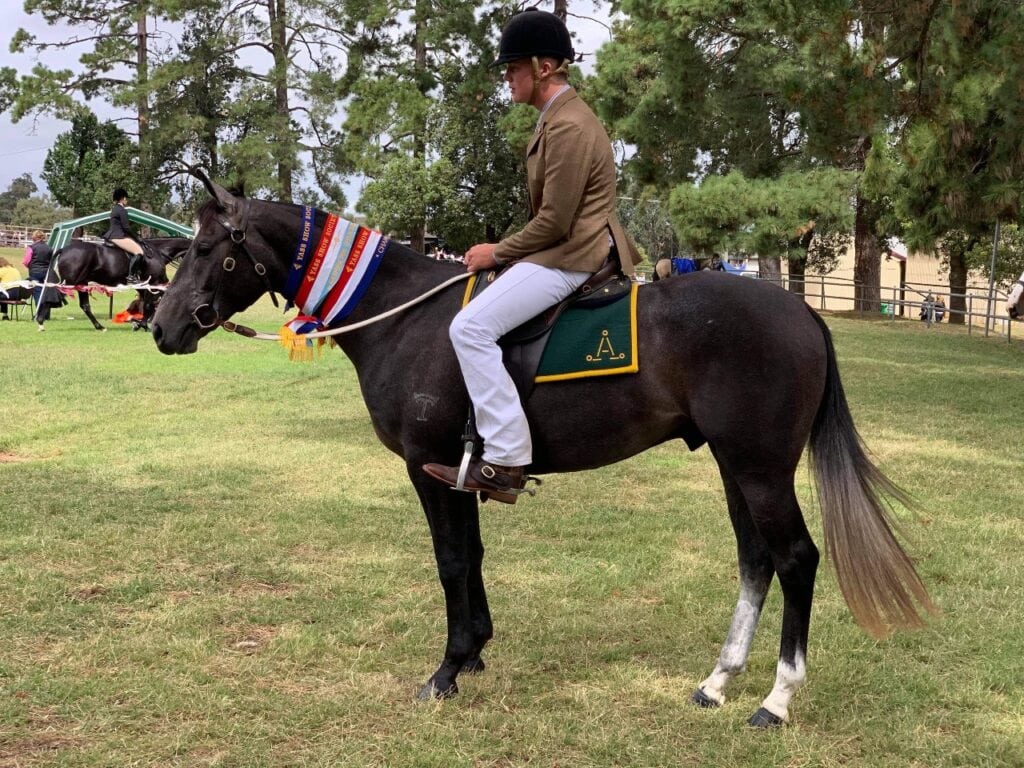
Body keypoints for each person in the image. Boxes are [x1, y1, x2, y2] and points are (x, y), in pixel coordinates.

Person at [422, 8, 641, 503]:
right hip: (565, 249)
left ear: (544, 67)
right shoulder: (556, 120)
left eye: (514, 66)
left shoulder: (568, 127)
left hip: (570, 255)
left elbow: (555, 222)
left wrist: (496, 252)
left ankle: (505, 455)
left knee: (469, 327)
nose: (507, 76)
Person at [103, 187, 146, 282]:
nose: (127, 200)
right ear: (122, 198)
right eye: (126, 198)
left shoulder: (115, 208)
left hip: (113, 235)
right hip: (117, 236)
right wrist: (137, 238)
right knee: (139, 252)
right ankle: (131, 276)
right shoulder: (122, 210)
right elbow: (126, 228)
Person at [23, 229, 59, 330]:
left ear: (35, 237)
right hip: (46, 272)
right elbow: (52, 260)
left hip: (35, 272)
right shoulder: (49, 248)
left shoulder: (31, 247)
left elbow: (26, 261)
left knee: (37, 293)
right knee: (46, 293)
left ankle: (39, 315)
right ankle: (46, 315)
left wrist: (30, 266)